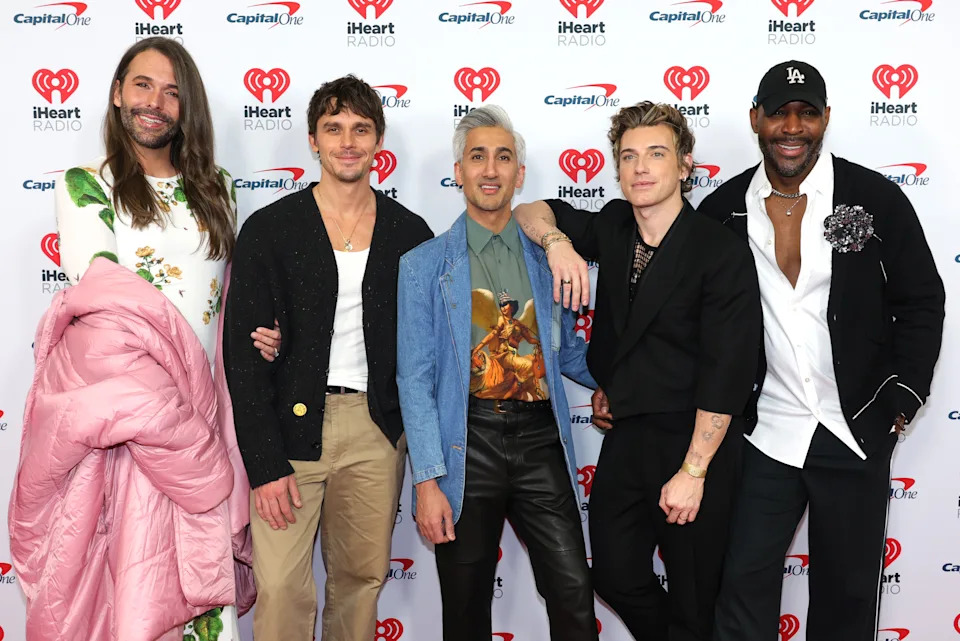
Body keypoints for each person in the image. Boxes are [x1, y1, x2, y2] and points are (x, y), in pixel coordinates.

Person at [13, 37, 255, 640]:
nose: (156, 102)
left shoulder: (218, 187)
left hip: (203, 414)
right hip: (126, 424)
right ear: (118, 93)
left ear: (187, 107)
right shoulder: (87, 185)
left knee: (201, 593)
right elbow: (104, 307)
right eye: (143, 85)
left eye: (172, 92)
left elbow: (225, 301)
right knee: (130, 588)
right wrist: (167, 419)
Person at [696, 61, 945, 641]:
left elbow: (921, 300)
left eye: (807, 113)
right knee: (741, 587)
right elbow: (686, 316)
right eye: (778, 112)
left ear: (826, 118)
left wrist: (903, 395)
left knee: (848, 596)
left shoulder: (874, 197)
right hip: (764, 432)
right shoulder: (723, 210)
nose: (792, 127)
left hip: (852, 428)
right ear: (755, 118)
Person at [512, 101, 762, 640]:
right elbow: (528, 210)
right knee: (614, 573)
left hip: (695, 440)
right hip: (627, 436)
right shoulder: (614, 225)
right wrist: (558, 244)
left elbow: (728, 372)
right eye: (628, 156)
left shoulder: (719, 250)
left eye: (656, 154)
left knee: (695, 596)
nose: (641, 168)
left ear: (685, 164)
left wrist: (693, 472)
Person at [223, 75, 433, 641]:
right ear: (313, 140)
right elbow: (243, 360)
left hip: (374, 431)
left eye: (361, 129)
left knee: (361, 583)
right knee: (281, 588)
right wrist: (264, 464)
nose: (347, 141)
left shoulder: (410, 234)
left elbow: (425, 350)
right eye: (333, 128)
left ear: (379, 141)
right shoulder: (270, 229)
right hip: (289, 435)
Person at [396, 105, 599, 641]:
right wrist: (427, 481)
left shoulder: (548, 260)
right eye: (478, 157)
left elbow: (567, 353)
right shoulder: (422, 265)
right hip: (467, 441)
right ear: (458, 171)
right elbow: (414, 379)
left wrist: (619, 387)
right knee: (465, 609)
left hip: (541, 440)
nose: (490, 169)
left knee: (574, 593)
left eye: (503, 157)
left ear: (519, 173)